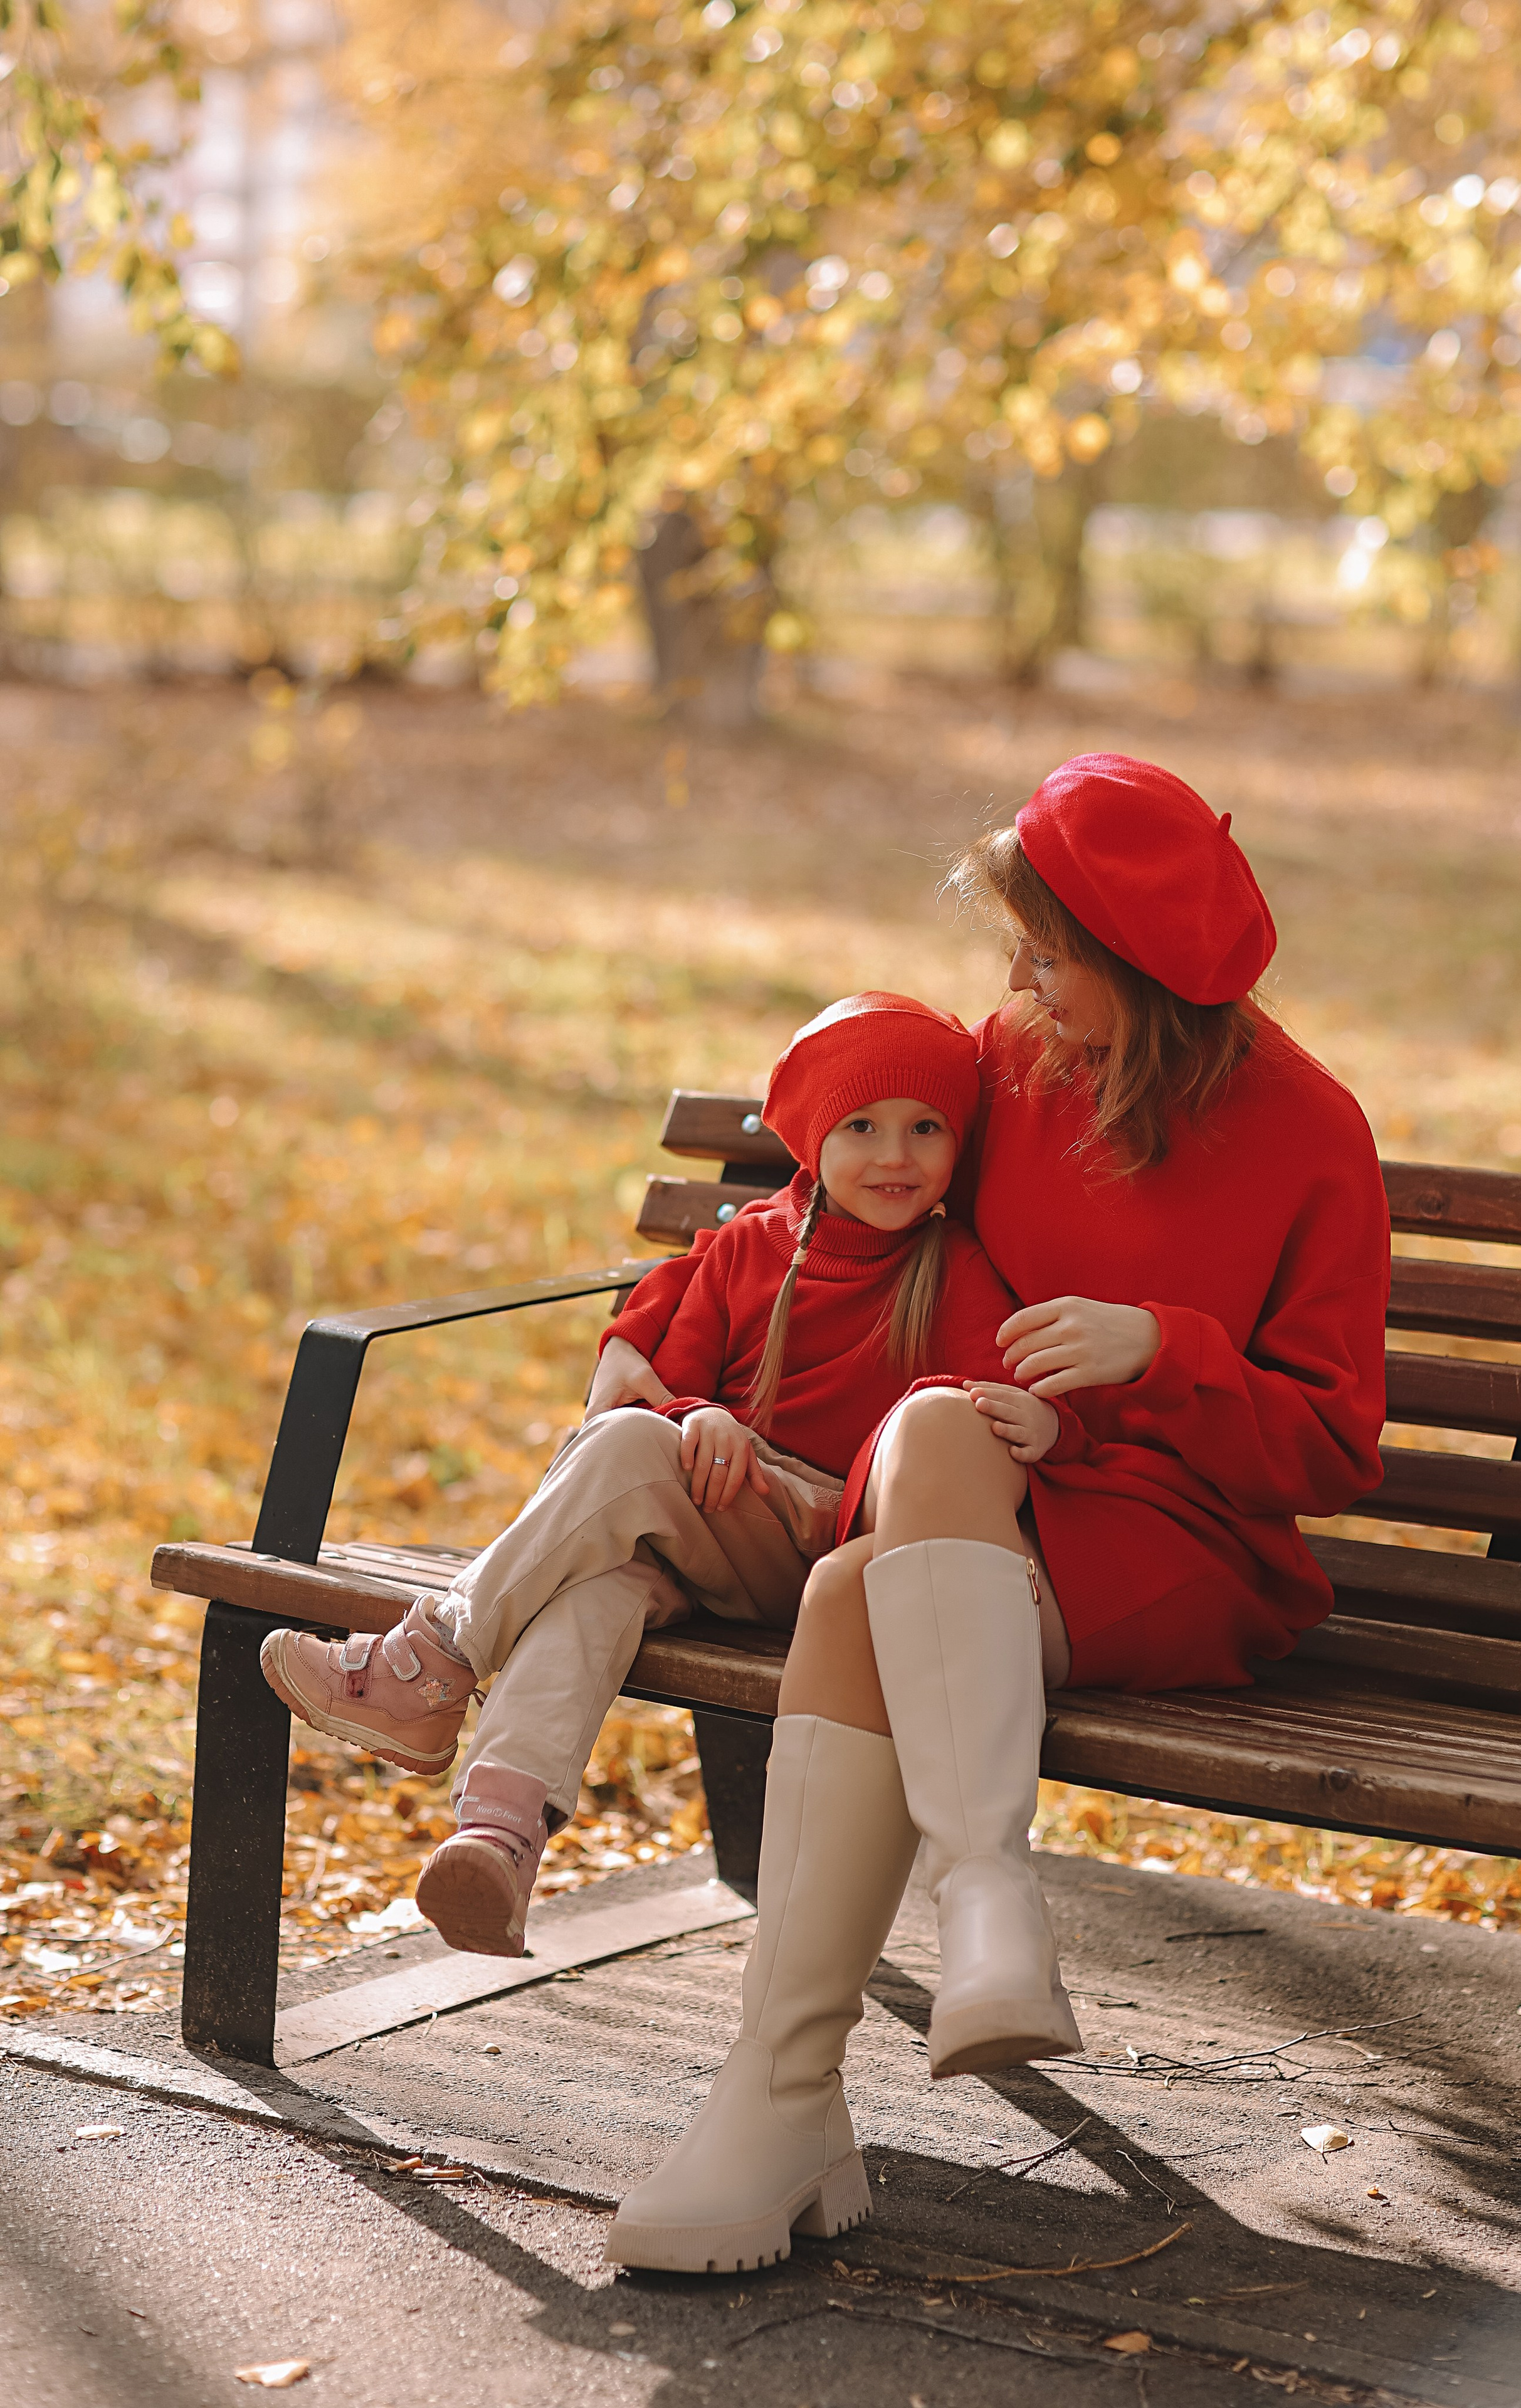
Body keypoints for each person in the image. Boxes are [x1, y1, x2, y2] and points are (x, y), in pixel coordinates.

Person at [597, 752, 1391, 2275]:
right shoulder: (1010, 1064)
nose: (1013, 975)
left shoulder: (1307, 1134)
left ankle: (783, 2105)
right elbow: (819, 1208)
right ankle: (968, 1919)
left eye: (1046, 950)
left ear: (1141, 966)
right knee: (918, 1467)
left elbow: (1329, 1450)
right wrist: (651, 1330)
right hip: (976, 1493)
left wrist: (1162, 1351)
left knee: (857, 1588)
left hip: (1172, 1543)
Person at [258, 991, 1067, 1967]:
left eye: (925, 1129)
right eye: (862, 1127)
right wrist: (699, 1415)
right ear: (812, 1138)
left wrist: (1046, 1420)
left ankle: (428, 1663)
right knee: (596, 1591)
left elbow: (977, 1428)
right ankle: (500, 1838)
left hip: (833, 1555)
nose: (895, 1157)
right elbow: (658, 1385)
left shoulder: (955, 1268)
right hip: (707, 1537)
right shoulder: (747, 1248)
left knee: (627, 1452)